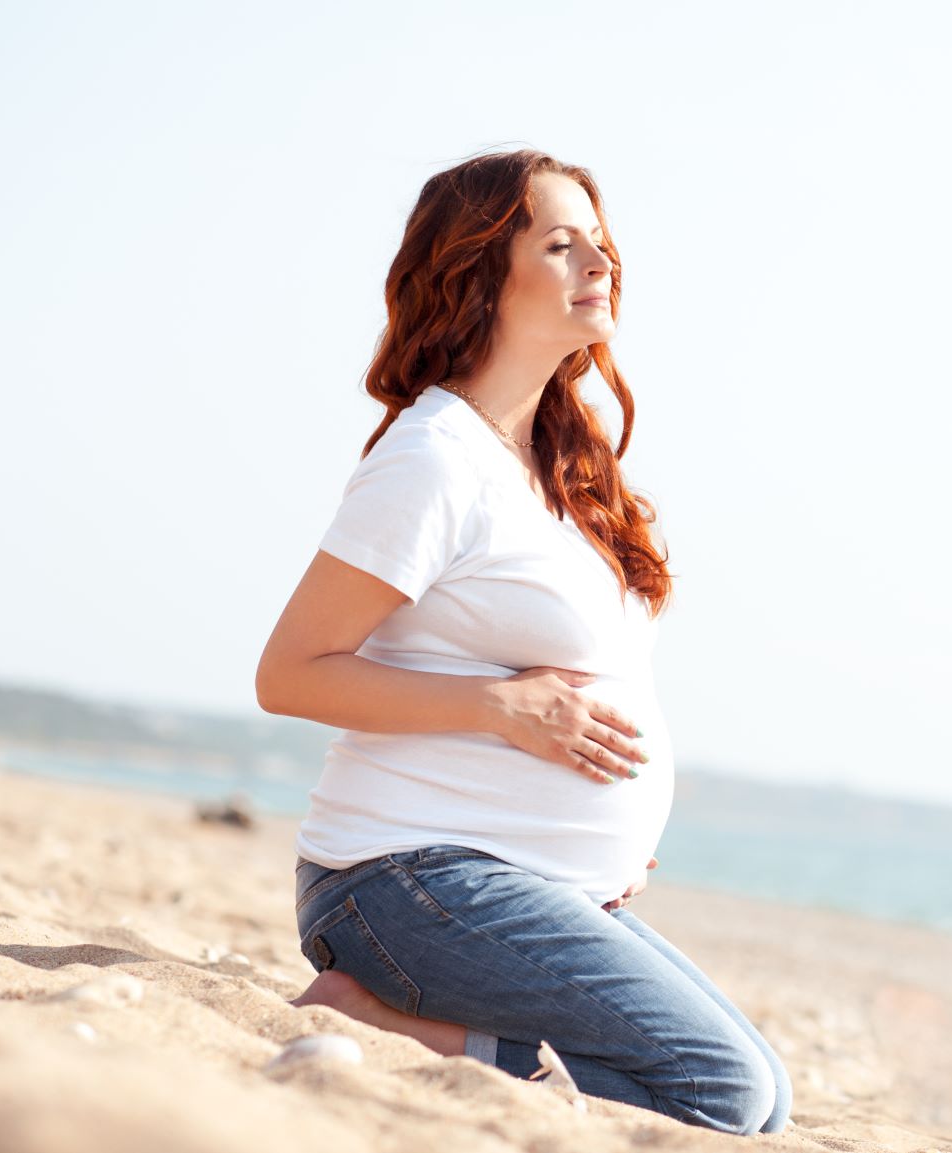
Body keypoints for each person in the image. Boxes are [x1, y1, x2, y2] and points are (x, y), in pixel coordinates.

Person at [254, 147, 792, 1136]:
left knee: (768, 1096)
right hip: (395, 880)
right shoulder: (432, 459)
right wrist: (501, 708)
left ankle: (433, 1024)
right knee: (718, 1091)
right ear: (478, 274)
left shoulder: (552, 469)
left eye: (603, 241)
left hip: (510, 877)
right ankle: (379, 1019)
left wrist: (593, 840)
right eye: (561, 241)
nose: (600, 261)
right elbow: (289, 672)